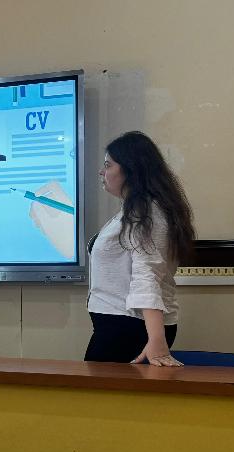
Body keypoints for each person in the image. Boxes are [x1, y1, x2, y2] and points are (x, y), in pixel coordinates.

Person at [85, 131, 195, 366]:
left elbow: (147, 275)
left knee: (99, 389)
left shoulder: (146, 213)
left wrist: (156, 339)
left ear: (131, 170)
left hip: (129, 327)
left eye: (108, 165)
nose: (102, 172)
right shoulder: (136, 210)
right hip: (122, 326)